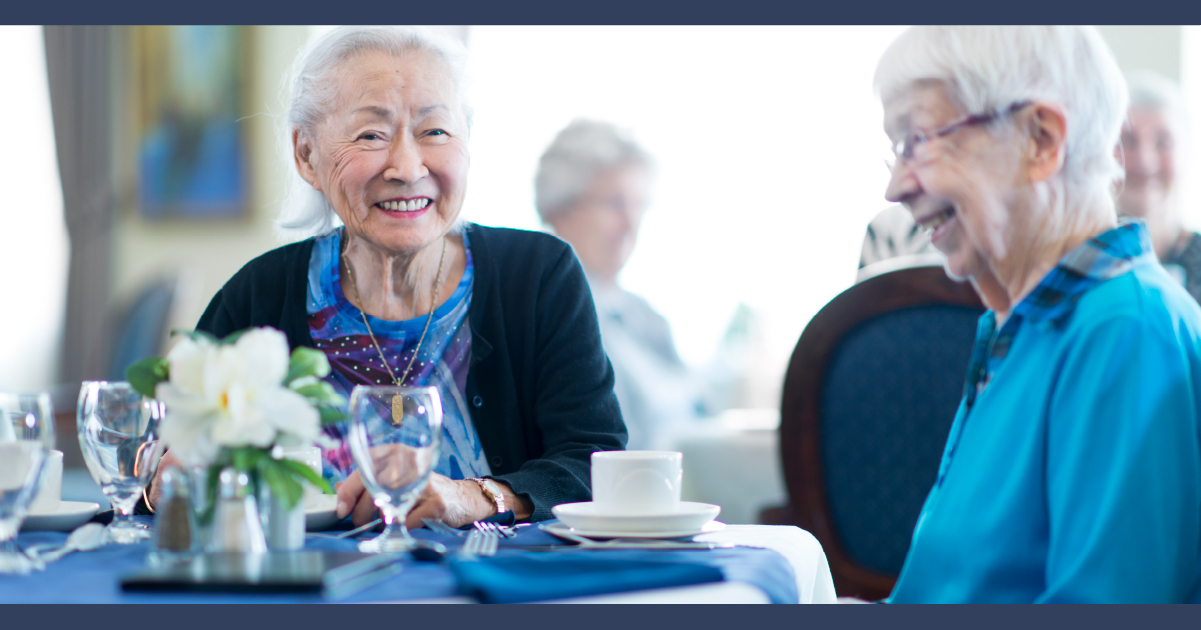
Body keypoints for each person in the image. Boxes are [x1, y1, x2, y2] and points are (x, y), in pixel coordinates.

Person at [149, 26, 626, 527]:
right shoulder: (260, 294)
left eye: (435, 131)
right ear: (306, 155)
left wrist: (476, 496)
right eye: (371, 135)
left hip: (491, 594)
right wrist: (176, 476)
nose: (406, 165)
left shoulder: (538, 275)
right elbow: (158, 462)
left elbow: (595, 462)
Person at [876, 25, 1201, 603]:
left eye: (918, 141)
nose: (896, 187)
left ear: (1041, 141)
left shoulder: (1125, 330)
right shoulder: (1027, 326)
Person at [535, 120, 704, 450]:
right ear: (560, 211)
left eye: (639, 205)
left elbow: (702, 415)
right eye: (614, 204)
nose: (631, 224)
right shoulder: (545, 316)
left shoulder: (646, 316)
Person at [1116, 72, 1201, 302]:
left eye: (1163, 142)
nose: (1145, 159)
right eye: (1129, 141)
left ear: (1188, 152)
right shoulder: (1081, 257)